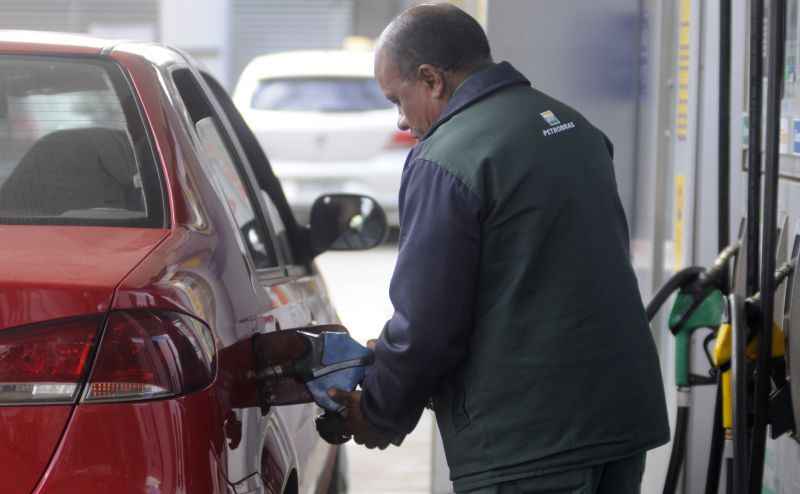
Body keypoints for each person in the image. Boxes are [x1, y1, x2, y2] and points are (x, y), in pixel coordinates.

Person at [328, 4, 670, 493]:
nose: (402, 121)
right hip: (617, 424)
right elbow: (536, 275)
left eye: (397, 100)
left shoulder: (446, 158)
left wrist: (379, 412)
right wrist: (391, 360)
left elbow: (428, 322)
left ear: (431, 79)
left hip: (527, 443)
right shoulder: (574, 127)